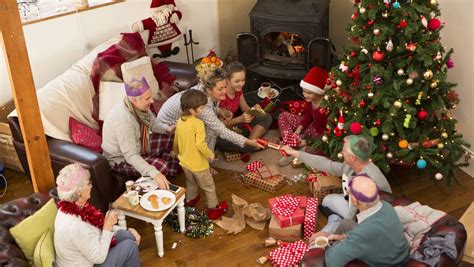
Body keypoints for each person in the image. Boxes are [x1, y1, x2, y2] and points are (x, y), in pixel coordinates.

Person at [282, 135, 392, 221]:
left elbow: (358, 212)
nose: (341, 153)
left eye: (343, 152)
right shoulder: (351, 165)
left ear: (352, 158)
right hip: (353, 203)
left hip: (365, 215)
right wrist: (295, 153)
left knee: (327, 206)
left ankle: (335, 221)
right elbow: (327, 165)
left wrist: (343, 229)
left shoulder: (366, 181)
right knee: (327, 201)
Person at [155, 67, 264, 153]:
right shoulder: (203, 105)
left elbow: (212, 105)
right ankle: (206, 162)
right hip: (168, 128)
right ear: (209, 89)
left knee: (211, 127)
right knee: (212, 130)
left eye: (225, 87)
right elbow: (221, 130)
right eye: (220, 89)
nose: (225, 91)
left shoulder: (206, 90)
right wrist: (248, 142)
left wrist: (220, 111)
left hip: (183, 119)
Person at [54, 164, 141, 267]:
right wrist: (107, 226)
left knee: (127, 236)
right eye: (88, 183)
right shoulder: (75, 225)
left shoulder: (77, 207)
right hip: (92, 262)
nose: (91, 186)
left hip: (92, 253)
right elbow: (99, 257)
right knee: (130, 247)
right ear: (79, 192)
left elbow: (96, 231)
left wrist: (127, 230)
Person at [313, 176, 409, 266]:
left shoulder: (362, 233)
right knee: (346, 223)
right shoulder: (386, 206)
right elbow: (369, 236)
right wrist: (341, 237)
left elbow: (331, 263)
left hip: (388, 264)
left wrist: (323, 245)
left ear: (354, 200)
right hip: (394, 252)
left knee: (322, 249)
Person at [102, 77, 179, 190]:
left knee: (171, 138)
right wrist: (154, 173)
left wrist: (168, 129)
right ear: (134, 100)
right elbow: (130, 155)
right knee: (160, 167)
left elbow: (153, 124)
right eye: (148, 98)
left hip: (138, 144)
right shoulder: (124, 121)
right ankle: (159, 180)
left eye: (150, 96)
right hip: (121, 159)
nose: (152, 101)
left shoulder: (140, 107)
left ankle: (168, 175)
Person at [173, 89, 228, 219]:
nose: (203, 110)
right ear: (192, 110)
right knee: (209, 187)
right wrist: (210, 154)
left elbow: (176, 139)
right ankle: (214, 209)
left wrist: (175, 151)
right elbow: (200, 144)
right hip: (199, 165)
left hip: (185, 162)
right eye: (202, 108)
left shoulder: (180, 121)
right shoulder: (198, 123)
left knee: (191, 183)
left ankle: (190, 201)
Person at [215, 62, 272, 153]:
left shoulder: (238, 90)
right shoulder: (221, 95)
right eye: (237, 81)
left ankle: (250, 143)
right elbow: (219, 125)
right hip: (224, 131)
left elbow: (245, 108)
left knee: (267, 117)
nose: (241, 84)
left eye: (243, 80)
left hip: (236, 126)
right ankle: (254, 145)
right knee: (222, 142)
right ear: (227, 80)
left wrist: (254, 110)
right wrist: (240, 119)